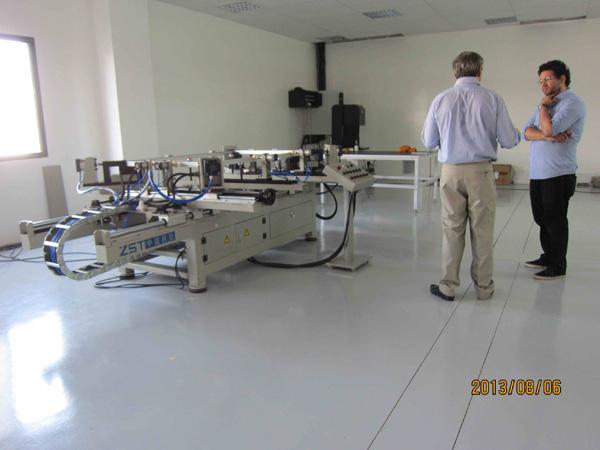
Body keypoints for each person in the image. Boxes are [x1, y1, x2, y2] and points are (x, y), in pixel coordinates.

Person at [421, 51, 520, 301]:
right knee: (482, 230)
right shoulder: (493, 99)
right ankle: (484, 288)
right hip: (481, 172)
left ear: (455, 72)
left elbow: (429, 141)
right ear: (480, 71)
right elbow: (509, 139)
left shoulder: (441, 99)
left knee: (451, 229)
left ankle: (447, 286)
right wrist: (519, 134)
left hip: (450, 172)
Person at [523, 60, 585, 280]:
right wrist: (546, 135)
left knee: (555, 220)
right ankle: (548, 256)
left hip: (558, 173)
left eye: (548, 79)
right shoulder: (547, 103)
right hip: (538, 172)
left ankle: (557, 265)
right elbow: (526, 132)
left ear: (562, 79)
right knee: (542, 218)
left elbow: (550, 128)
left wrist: (543, 111)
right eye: (540, 80)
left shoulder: (572, 103)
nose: (543, 84)